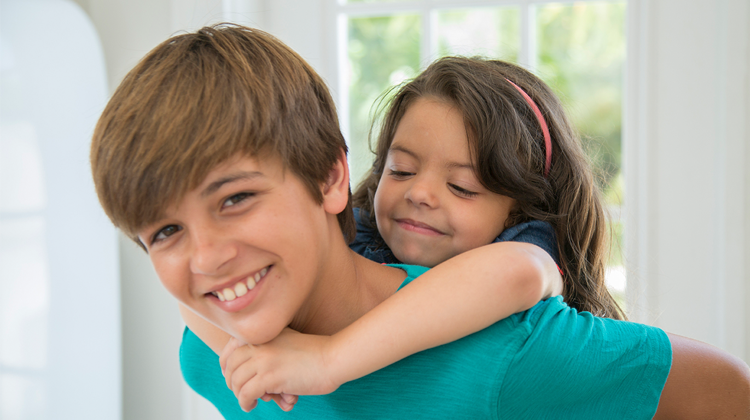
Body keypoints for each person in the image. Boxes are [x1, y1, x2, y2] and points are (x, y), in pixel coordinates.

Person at [90, 24, 750, 419]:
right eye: (165, 232)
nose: (205, 258)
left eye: (235, 198)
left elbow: (727, 392)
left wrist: (330, 360)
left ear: (330, 177)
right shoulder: (212, 361)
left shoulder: (505, 353)